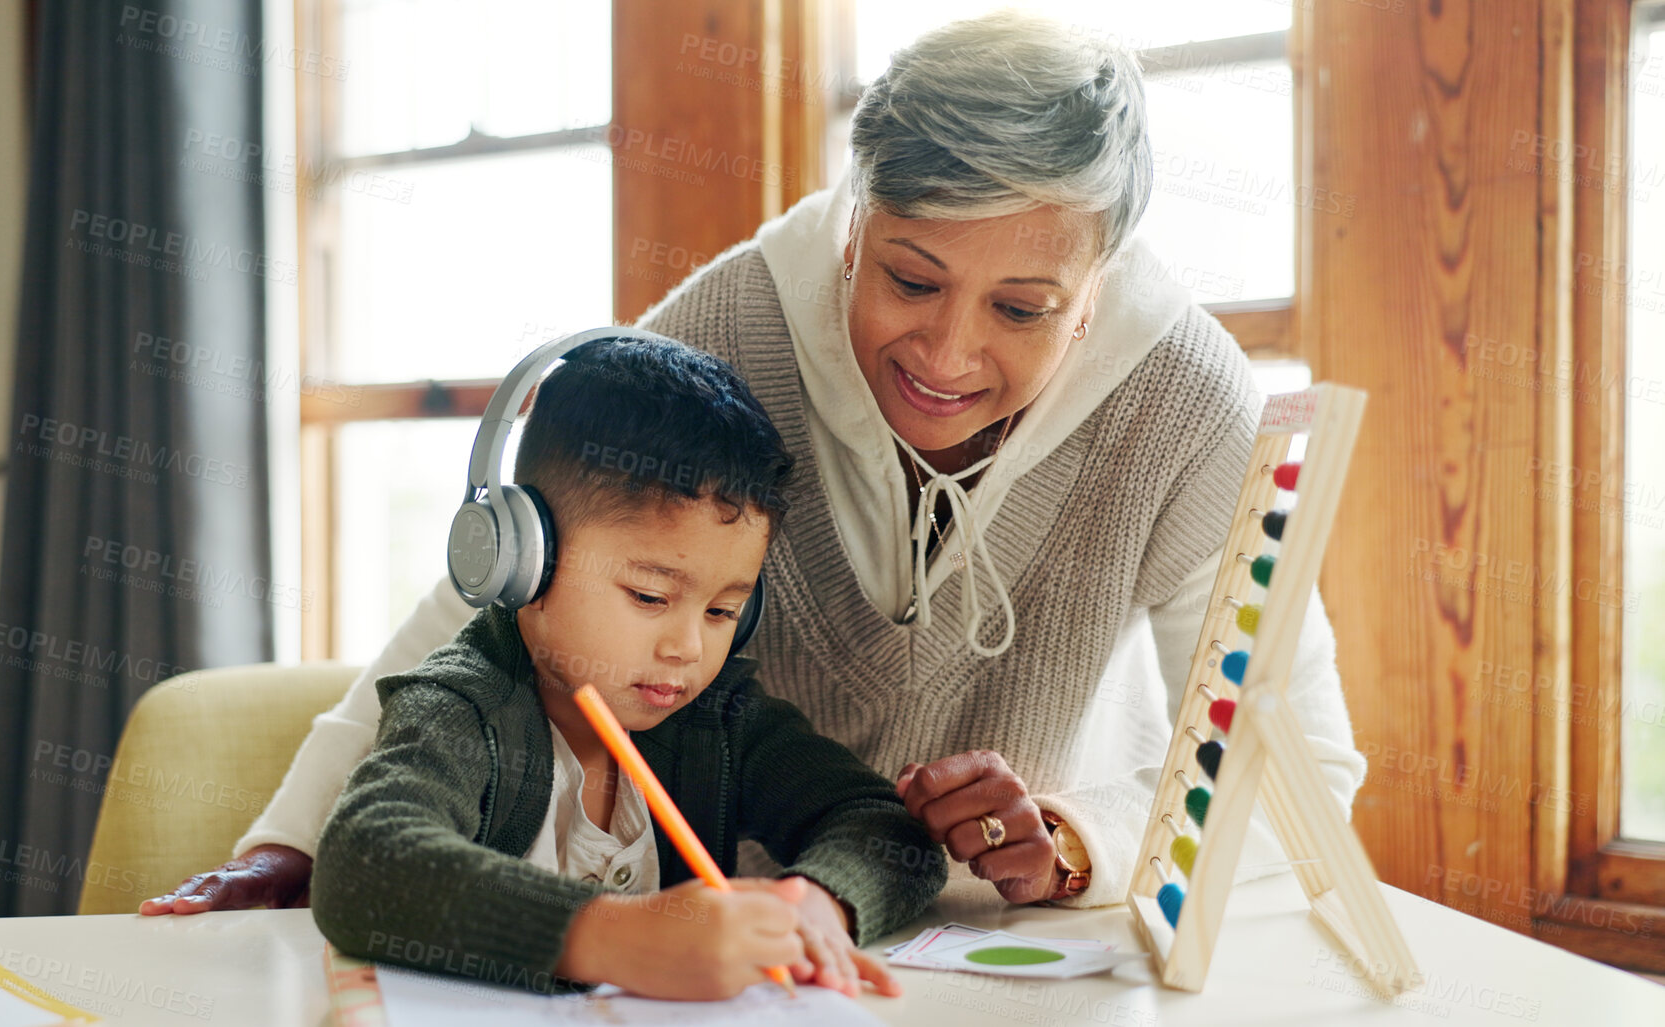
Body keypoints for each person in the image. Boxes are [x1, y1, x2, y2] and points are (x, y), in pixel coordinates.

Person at [144, 7, 1366, 920]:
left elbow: (1304, 765)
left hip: (1021, 949)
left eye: (1025, 308)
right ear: (853, 224)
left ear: (1099, 292)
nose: (947, 352)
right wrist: (288, 847)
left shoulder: (1191, 403)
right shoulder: (728, 327)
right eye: (910, 278)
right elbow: (487, 605)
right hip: (751, 927)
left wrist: (1081, 837)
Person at [308, 336, 946, 999]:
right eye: (649, 596)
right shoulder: (463, 708)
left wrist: (818, 900)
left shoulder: (717, 717)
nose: (686, 648)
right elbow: (364, 863)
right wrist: (613, 938)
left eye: (723, 610)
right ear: (523, 560)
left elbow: (883, 826)